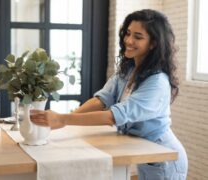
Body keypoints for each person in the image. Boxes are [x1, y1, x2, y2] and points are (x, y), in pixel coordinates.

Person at [30, 9, 188, 179]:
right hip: (146, 151)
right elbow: (101, 100)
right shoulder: (128, 71)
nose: (128, 40)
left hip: (164, 156)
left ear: (153, 43)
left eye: (138, 37)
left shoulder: (157, 83)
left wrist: (62, 119)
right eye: (127, 33)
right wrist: (66, 120)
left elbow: (113, 116)